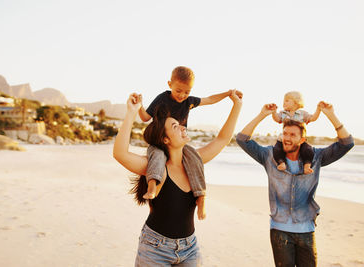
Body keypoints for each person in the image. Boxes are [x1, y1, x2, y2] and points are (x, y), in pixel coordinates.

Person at [113, 90, 242, 266]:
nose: (183, 127)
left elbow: (223, 139)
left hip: (189, 248)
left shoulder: (194, 162)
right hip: (155, 248)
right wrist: (131, 112)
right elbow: (120, 153)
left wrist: (237, 105)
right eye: (175, 126)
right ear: (165, 139)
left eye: (180, 124)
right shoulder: (155, 168)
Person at [236, 101, 354, 267]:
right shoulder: (269, 157)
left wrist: (330, 115)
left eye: (292, 135)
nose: (287, 138)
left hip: (306, 230)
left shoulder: (315, 157)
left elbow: (347, 143)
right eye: (285, 134)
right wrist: (262, 115)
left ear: (302, 139)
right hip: (279, 230)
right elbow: (242, 139)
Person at [137, 66, 234, 220]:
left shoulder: (189, 101)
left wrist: (228, 94)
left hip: (179, 143)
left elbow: (210, 99)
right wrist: (139, 105)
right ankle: (152, 188)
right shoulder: (162, 98)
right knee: (157, 157)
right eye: (178, 91)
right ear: (170, 84)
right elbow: (144, 117)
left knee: (194, 160)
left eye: (187, 92)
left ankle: (201, 197)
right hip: (161, 141)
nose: (182, 95)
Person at [271, 91, 322, 174]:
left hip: (298, 140)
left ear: (296, 102)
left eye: (287, 101)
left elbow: (313, 118)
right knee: (277, 149)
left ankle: (307, 166)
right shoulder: (283, 113)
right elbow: (277, 119)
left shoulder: (302, 114)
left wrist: (318, 109)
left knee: (308, 150)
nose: (284, 103)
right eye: (284, 101)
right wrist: (273, 112)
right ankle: (281, 163)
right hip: (284, 139)